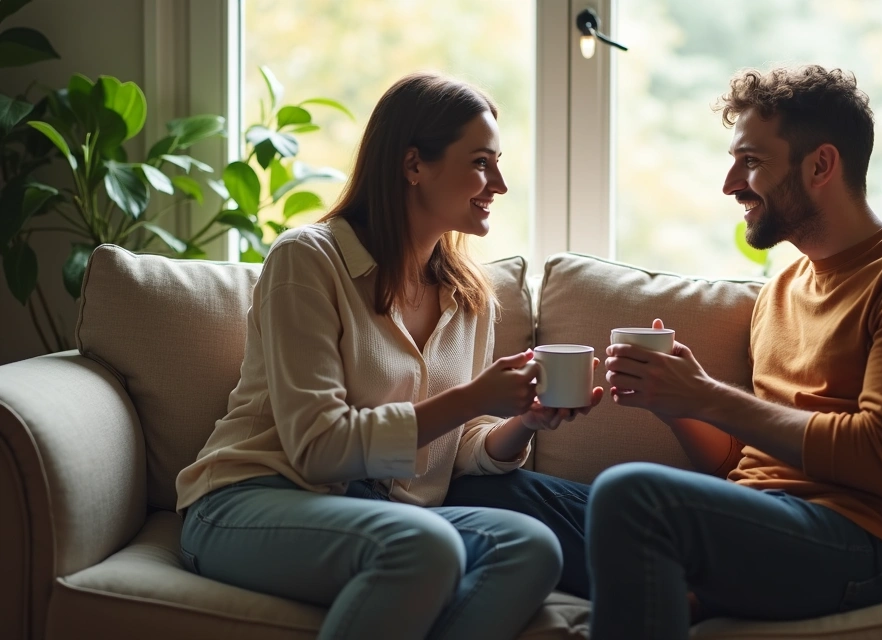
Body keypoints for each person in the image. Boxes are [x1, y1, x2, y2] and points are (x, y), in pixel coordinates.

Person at [444, 64, 882, 639]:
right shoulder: (785, 287)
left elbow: (881, 459)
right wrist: (676, 400)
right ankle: (671, 585)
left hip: (865, 543)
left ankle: (673, 584)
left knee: (633, 495)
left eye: (752, 162)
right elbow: (735, 464)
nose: (730, 184)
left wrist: (707, 395)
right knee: (485, 492)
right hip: (759, 524)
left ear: (821, 166)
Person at [174, 72, 602, 640]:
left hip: (391, 514)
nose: (498, 182)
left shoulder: (470, 297)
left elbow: (461, 443)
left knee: (529, 546)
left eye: (497, 162)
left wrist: (520, 423)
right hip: (251, 499)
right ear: (413, 166)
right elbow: (318, 448)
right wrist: (472, 397)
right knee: (424, 545)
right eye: (480, 162)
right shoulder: (308, 261)